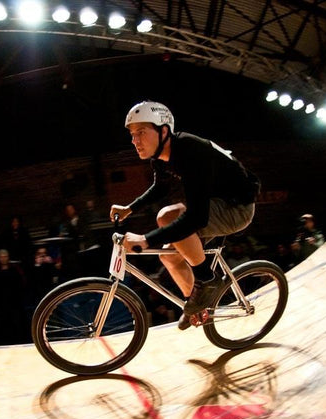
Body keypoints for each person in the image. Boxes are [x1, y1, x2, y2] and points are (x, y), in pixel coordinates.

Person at [110, 101, 260, 330]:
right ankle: (198, 305)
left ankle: (207, 281)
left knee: (167, 217)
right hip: (216, 204)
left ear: (163, 130)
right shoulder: (161, 155)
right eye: (132, 134)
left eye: (141, 132)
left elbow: (197, 218)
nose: (134, 140)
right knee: (169, 257)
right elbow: (160, 188)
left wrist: (145, 240)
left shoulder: (190, 151)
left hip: (237, 208)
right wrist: (129, 208)